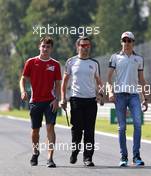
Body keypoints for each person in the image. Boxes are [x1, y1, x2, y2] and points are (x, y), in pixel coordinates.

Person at [60, 36, 103, 167]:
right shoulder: (71, 62)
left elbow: (99, 81)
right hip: (76, 100)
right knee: (77, 129)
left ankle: (88, 158)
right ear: (77, 47)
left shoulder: (94, 63)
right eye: (83, 45)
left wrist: (100, 94)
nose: (85, 48)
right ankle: (75, 150)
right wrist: (63, 98)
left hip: (90, 101)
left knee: (90, 131)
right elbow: (64, 82)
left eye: (87, 46)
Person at [19, 36, 62, 168]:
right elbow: (23, 79)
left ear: (51, 49)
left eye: (48, 47)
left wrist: (57, 99)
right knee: (35, 131)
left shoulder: (55, 64)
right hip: (35, 101)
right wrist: (23, 91)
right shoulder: (31, 62)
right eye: (43, 46)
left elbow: (58, 85)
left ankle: (50, 158)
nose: (45, 49)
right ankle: (35, 151)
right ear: (39, 47)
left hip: (50, 102)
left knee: (50, 128)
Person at [107, 31, 148, 167]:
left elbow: (142, 80)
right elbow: (108, 78)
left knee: (137, 124)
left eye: (129, 40)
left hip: (134, 96)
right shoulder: (115, 57)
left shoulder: (139, 59)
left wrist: (145, 98)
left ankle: (136, 156)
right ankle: (123, 157)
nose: (126, 43)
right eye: (124, 40)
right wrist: (110, 92)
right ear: (121, 42)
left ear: (133, 42)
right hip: (119, 95)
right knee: (122, 127)